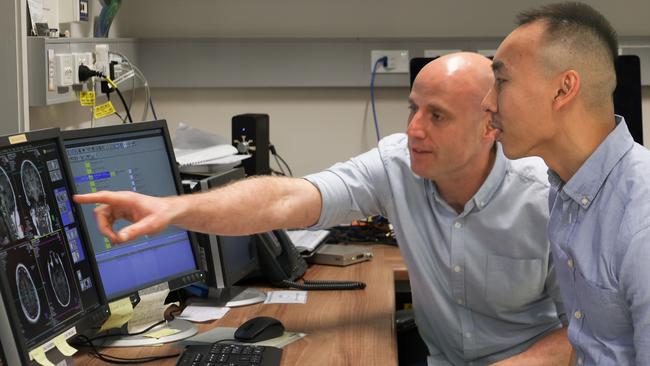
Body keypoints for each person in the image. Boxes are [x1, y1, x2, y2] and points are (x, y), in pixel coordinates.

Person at [75, 52, 571, 365]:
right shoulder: (399, 163)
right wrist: (173, 209)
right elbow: (288, 196)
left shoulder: (548, 196)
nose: (415, 129)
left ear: (490, 127)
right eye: (412, 108)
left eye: (437, 116)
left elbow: (582, 334)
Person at [482, 2, 650, 365]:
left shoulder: (641, 223)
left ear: (563, 89)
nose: (487, 102)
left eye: (501, 81)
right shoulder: (565, 189)